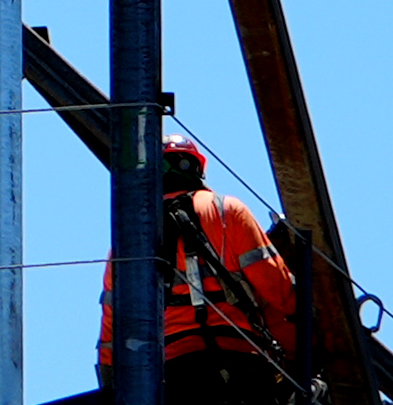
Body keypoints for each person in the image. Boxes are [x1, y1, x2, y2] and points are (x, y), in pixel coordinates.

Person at [95, 134, 306, 391]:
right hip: (241, 363)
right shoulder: (228, 210)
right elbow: (279, 289)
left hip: (174, 374)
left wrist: (108, 382)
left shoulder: (130, 240)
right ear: (198, 167)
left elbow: (112, 324)